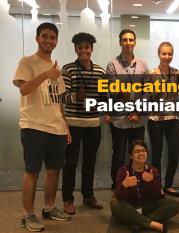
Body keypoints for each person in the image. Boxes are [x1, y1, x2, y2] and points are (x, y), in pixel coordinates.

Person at [13, 22, 71, 232]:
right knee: (32, 171)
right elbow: (24, 89)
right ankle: (28, 214)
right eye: (45, 36)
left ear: (56, 41)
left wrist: (65, 125)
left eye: (52, 37)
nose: (49, 40)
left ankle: (49, 207)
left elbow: (59, 100)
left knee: (54, 170)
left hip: (56, 127)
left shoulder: (57, 68)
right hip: (34, 125)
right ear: (37, 38)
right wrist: (46, 75)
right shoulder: (26, 62)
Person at [61, 32, 106, 215]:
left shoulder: (100, 71)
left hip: (93, 124)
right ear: (75, 49)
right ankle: (68, 199)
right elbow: (62, 97)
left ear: (91, 49)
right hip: (72, 124)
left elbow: (103, 97)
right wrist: (75, 96)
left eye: (87, 47)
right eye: (80, 47)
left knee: (90, 162)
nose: (83, 51)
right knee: (70, 162)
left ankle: (88, 196)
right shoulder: (68, 69)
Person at [105, 29, 149, 190]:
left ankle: (136, 183)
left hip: (138, 119)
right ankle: (118, 185)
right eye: (125, 40)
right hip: (119, 120)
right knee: (119, 155)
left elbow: (147, 91)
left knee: (138, 154)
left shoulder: (143, 64)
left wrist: (137, 111)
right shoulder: (112, 65)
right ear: (120, 42)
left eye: (131, 40)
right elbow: (115, 90)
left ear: (135, 42)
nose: (128, 43)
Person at [111, 140, 179, 233]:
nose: (141, 153)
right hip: (130, 207)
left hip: (147, 207)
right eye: (137, 151)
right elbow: (119, 196)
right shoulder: (124, 171)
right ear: (131, 156)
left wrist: (151, 181)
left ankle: (140, 223)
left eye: (143, 150)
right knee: (115, 205)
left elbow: (159, 196)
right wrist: (125, 184)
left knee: (173, 204)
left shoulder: (152, 170)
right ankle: (153, 224)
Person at [147, 42, 179, 197]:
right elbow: (148, 97)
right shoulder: (151, 73)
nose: (167, 57)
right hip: (156, 119)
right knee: (157, 154)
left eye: (170, 54)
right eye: (164, 54)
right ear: (158, 54)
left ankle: (168, 184)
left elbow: (178, 93)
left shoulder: (176, 73)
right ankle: (157, 185)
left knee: (174, 153)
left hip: (172, 118)